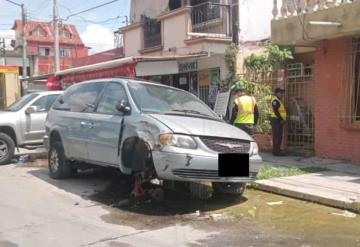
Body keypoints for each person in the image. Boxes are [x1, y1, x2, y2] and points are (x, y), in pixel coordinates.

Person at [271, 87, 287, 156]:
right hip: (276, 120)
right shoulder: (275, 100)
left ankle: (278, 150)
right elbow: (276, 111)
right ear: (276, 93)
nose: (282, 94)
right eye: (281, 93)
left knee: (279, 136)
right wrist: (281, 119)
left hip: (278, 120)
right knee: (277, 136)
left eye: (282, 93)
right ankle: (276, 151)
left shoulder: (278, 100)